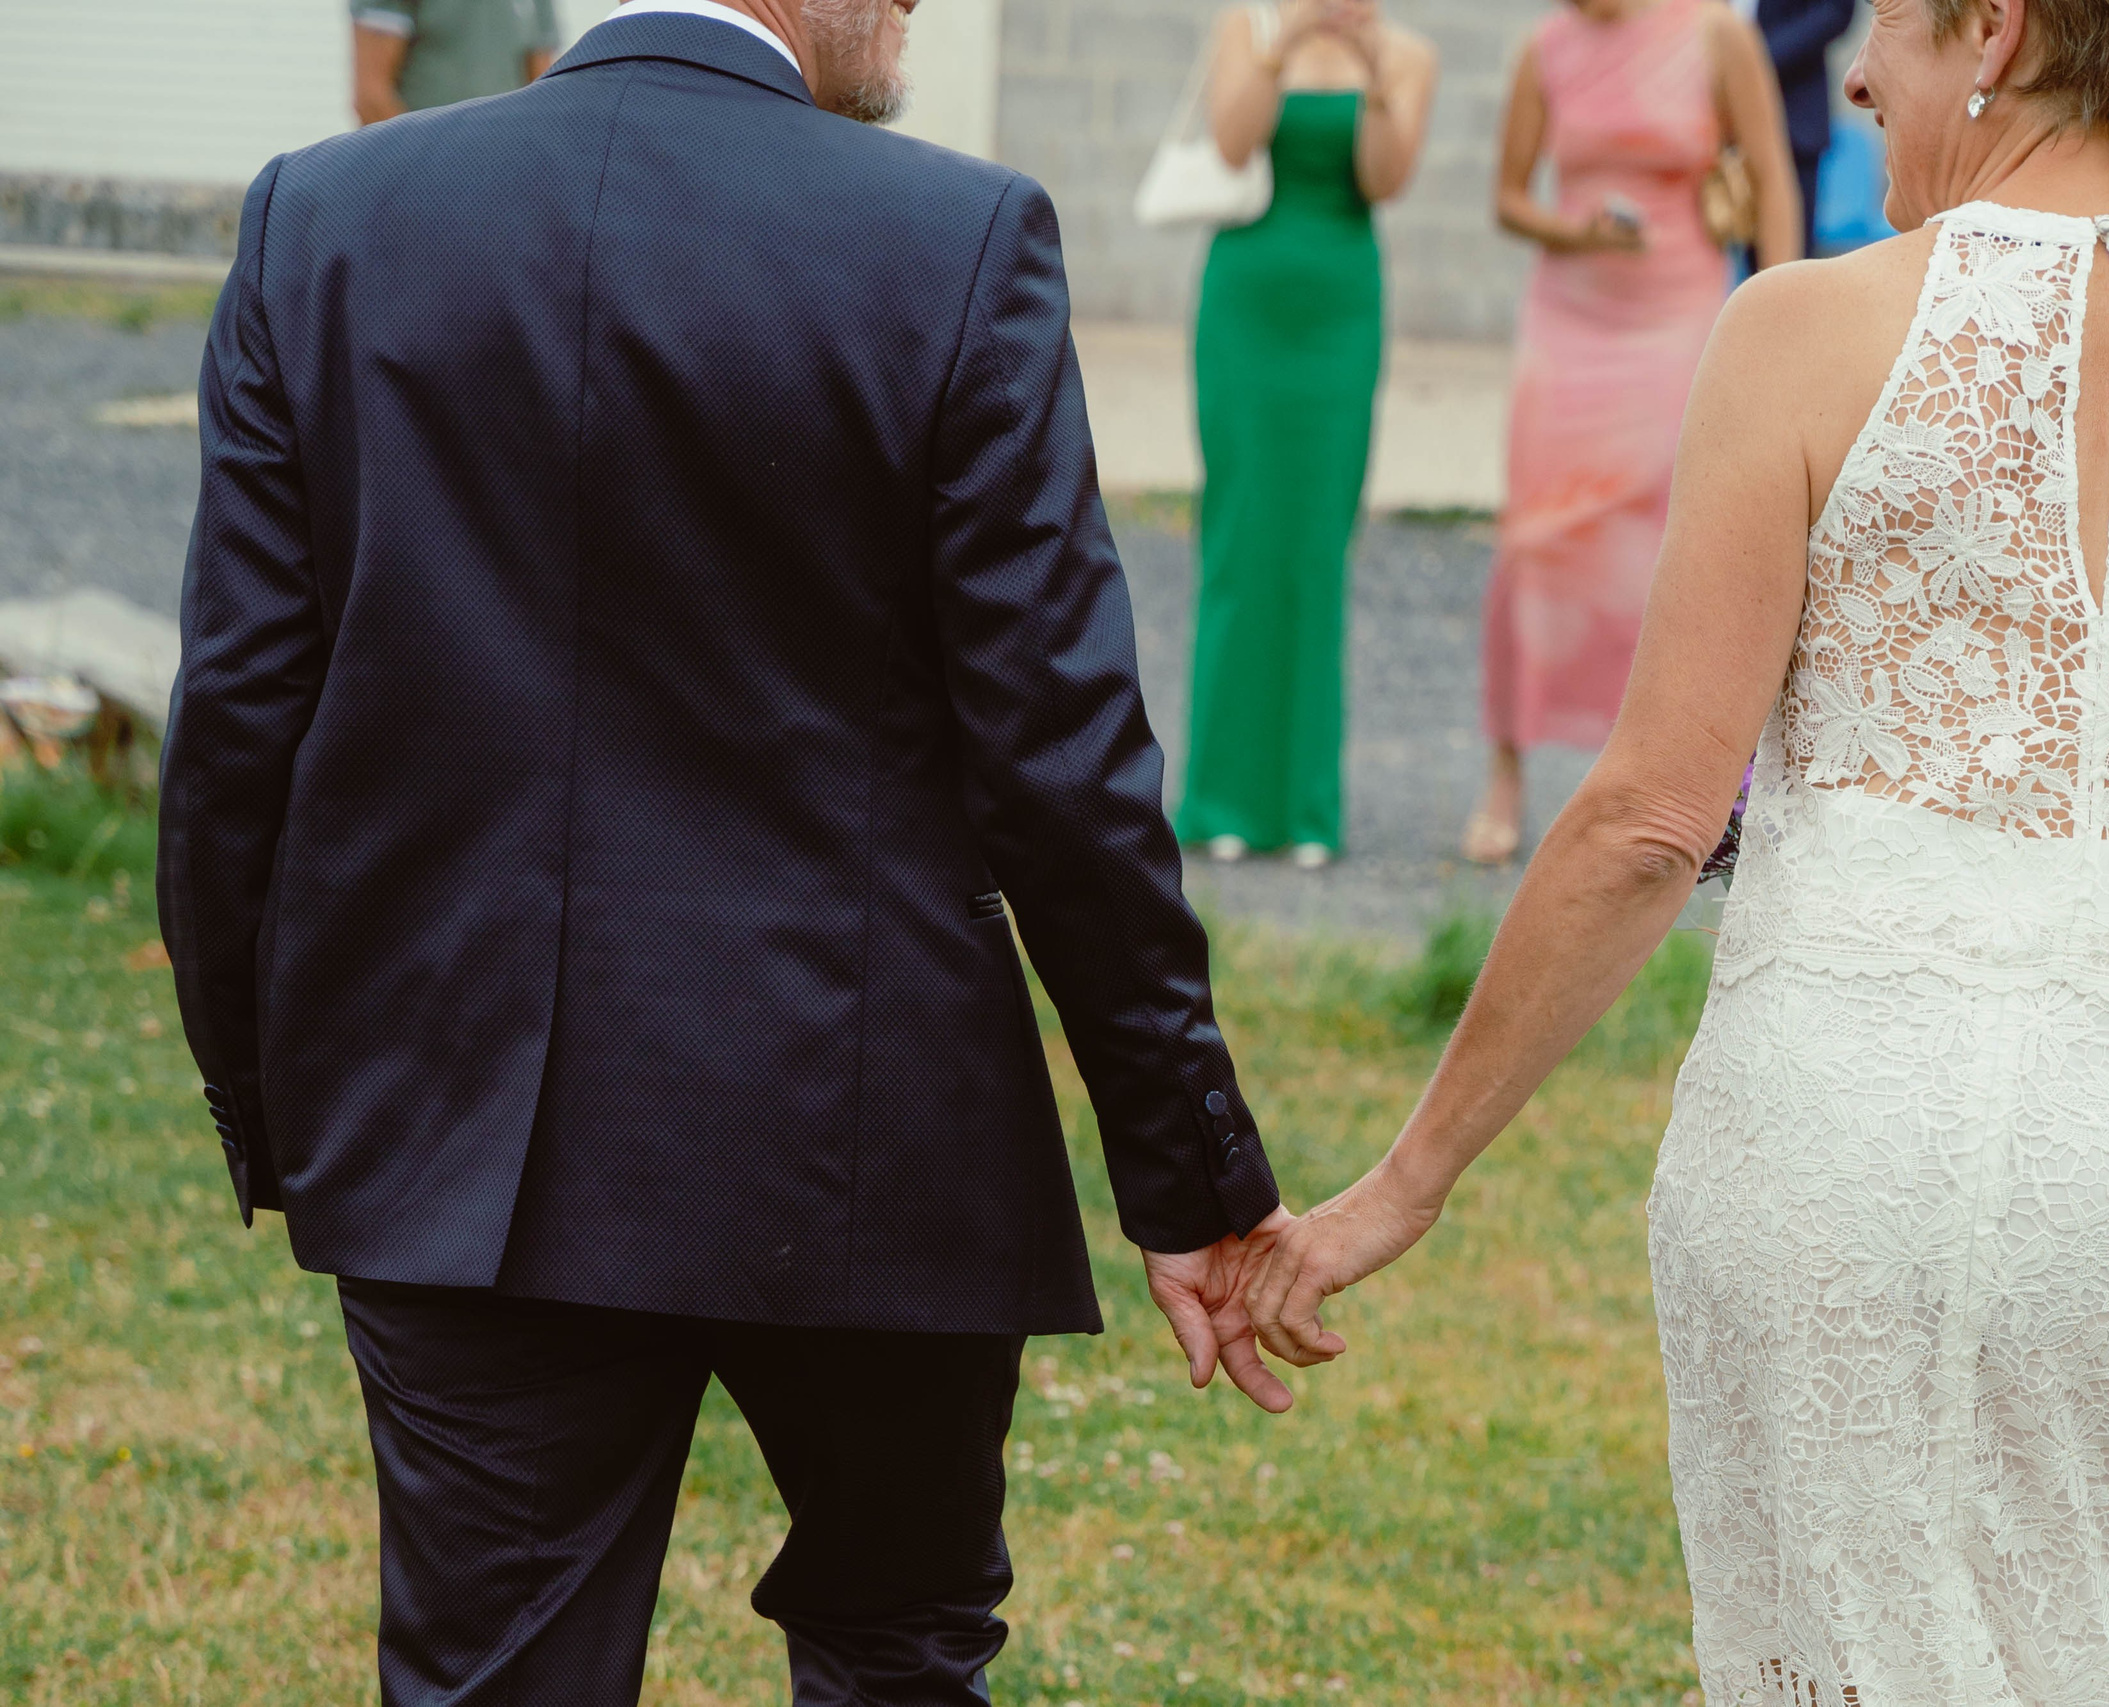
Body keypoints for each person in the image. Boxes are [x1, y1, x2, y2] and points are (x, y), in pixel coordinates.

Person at [1251, 2, 2109, 1704]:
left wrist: (1407, 1181)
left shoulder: (1802, 327)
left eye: (1888, 27)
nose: (1852, 73)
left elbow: (1648, 820)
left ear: (1993, 28)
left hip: (1842, 1129)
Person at [160, 0, 1298, 1698]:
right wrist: (1189, 1172)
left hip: (460, 1137)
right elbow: (1062, 761)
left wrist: (283, 1104)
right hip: (864, 1122)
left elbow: (238, 724)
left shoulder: (326, 219)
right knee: (896, 1649)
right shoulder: (954, 239)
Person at [1463, 0, 1799, 865]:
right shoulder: (1545, 47)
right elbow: (1507, 198)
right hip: (1569, 319)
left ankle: (1666, 777)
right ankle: (1506, 769)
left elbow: (1771, 178)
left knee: (1664, 539)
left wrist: (1785, 317)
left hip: (1676, 314)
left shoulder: (1715, 33)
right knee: (1533, 535)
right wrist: (1573, 230)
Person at [1176, 0, 1438, 870]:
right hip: (1246, 304)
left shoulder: (1407, 54)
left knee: (1318, 543)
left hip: (1339, 310)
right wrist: (1286, 39)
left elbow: (1384, 179)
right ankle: (1220, 799)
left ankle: (1305, 806)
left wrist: (1371, 71)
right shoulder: (1247, 28)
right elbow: (1231, 142)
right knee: (1240, 533)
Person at [1740, 0, 1858, 247]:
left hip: (1793, 118)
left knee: (1791, 248)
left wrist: (1753, 62)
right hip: (1712, 116)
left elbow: (1835, 11)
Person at [353, 0, 561, 124]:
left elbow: (541, 99)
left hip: (503, 171)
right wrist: (436, 171)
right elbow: (371, 100)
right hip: (423, 172)